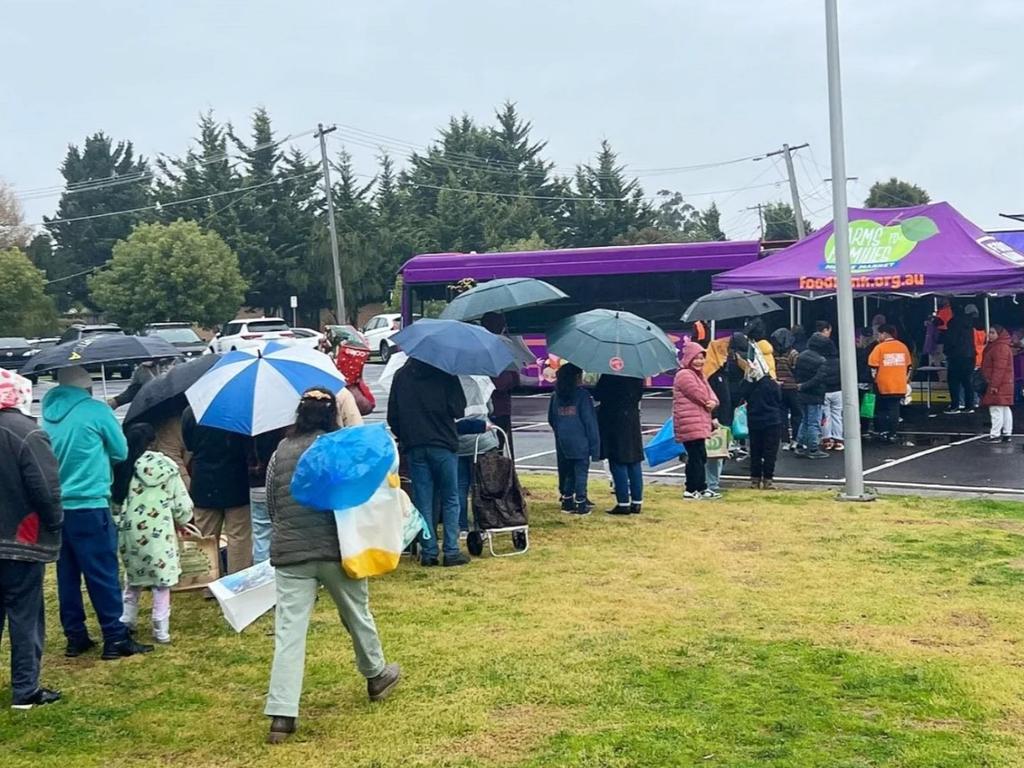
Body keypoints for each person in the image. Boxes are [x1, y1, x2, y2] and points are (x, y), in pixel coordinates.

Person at [264, 388, 400, 744]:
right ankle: (375, 673)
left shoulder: (280, 451)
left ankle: (282, 713)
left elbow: (273, 503)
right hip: (338, 549)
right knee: (357, 614)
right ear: (332, 415)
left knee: (289, 633)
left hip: (290, 553)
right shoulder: (340, 448)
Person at [42, 366, 152, 659]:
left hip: (58, 506)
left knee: (67, 575)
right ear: (87, 387)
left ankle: (75, 636)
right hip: (90, 503)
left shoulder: (47, 415)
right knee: (102, 572)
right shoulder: (95, 411)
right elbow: (120, 451)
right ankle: (115, 638)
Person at [0, 370, 63, 708]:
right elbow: (47, 490)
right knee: (25, 617)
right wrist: (55, 523)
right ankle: (25, 690)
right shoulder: (27, 433)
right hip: (20, 542)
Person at [112, 423, 193, 644]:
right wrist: (183, 520)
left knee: (133, 578)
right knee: (162, 581)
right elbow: (180, 502)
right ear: (153, 442)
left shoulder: (123, 467)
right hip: (160, 532)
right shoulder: (166, 466)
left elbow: (115, 504)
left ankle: (127, 620)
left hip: (130, 532)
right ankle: (161, 629)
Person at [387, 357, 469, 566]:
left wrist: (405, 435)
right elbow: (458, 409)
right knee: (451, 498)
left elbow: (392, 416)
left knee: (423, 499)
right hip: (443, 443)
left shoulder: (401, 376)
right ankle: (451, 550)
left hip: (415, 445)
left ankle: (429, 550)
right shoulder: (445, 373)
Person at [182, 405, 252, 575]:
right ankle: (238, 580)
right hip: (236, 479)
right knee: (239, 536)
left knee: (206, 536)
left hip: (203, 480)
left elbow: (189, 444)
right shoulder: (239, 410)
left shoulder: (191, 411)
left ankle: (209, 582)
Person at [548, 364, 600, 515]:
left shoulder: (556, 395)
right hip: (580, 439)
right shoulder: (582, 396)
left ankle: (567, 499)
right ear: (577, 378)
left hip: (563, 440)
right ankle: (581, 503)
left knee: (569, 471)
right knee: (581, 471)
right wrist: (595, 446)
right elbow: (589, 422)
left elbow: (551, 418)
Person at [674, 342, 719, 500]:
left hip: (698, 421)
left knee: (700, 455)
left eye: (701, 358)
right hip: (689, 422)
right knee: (695, 457)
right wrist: (709, 402)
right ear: (688, 358)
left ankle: (701, 487)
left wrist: (713, 402)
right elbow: (699, 394)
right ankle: (691, 489)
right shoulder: (684, 374)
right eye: (696, 358)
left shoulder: (699, 375)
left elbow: (711, 394)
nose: (699, 361)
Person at [594, 374, 644, 515]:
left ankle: (623, 503)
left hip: (613, 419)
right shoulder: (637, 374)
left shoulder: (610, 374)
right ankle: (637, 502)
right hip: (632, 418)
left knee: (617, 460)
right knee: (634, 461)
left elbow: (598, 394)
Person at [480, 312, 521, 458]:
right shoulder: (501, 347)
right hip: (499, 408)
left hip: (481, 409)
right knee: (496, 448)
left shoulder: (477, 346)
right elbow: (506, 382)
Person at [739, 357, 783, 489]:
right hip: (772, 420)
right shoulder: (772, 383)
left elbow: (742, 394)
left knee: (755, 451)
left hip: (754, 419)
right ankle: (768, 479)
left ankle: (755, 479)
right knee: (770, 451)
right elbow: (779, 399)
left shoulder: (749, 384)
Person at [868, 325, 912, 443]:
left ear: (884, 334)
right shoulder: (903, 347)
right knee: (895, 409)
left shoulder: (879, 348)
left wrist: (874, 381)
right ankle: (893, 433)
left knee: (881, 409)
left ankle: (882, 431)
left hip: (883, 384)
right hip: (899, 384)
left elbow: (873, 367)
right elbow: (909, 366)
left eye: (879, 334)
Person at [793, 333, 831, 459]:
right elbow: (819, 378)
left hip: (801, 393)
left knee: (805, 420)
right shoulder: (821, 360)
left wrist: (800, 386)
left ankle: (800, 445)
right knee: (814, 422)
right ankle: (813, 448)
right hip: (815, 394)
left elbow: (796, 372)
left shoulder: (801, 356)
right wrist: (804, 385)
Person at [980, 325, 1014, 444]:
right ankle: (1007, 433)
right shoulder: (1003, 346)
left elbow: (999, 369)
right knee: (1004, 408)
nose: (989, 335)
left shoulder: (999, 348)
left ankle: (995, 435)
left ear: (999, 334)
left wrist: (994, 385)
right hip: (1004, 383)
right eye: (989, 332)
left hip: (997, 383)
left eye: (992, 333)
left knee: (996, 409)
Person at [771, 328, 802, 450]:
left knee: (782, 414)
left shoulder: (773, 353)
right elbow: (797, 370)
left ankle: (784, 441)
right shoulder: (793, 354)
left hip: (779, 387)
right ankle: (795, 439)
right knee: (797, 414)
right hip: (793, 387)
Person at [944, 304, 978, 414]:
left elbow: (951, 340)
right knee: (967, 382)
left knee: (953, 381)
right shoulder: (969, 323)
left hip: (956, 356)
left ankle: (955, 405)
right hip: (970, 355)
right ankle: (969, 405)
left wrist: (947, 351)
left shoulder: (953, 323)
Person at [106, 359, 172, 410]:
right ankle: (105, 408)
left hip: (156, 396)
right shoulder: (144, 367)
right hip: (140, 393)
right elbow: (151, 384)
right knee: (121, 399)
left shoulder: (167, 367)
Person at [820, 334, 844, 451]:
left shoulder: (820, 361)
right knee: (837, 416)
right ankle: (838, 440)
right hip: (838, 390)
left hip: (824, 391)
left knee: (825, 417)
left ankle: (827, 440)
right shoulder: (839, 361)